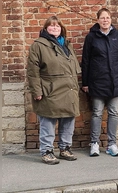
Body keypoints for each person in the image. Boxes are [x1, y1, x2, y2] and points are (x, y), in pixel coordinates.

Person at [81, 8, 118, 157]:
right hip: (97, 82)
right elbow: (85, 61)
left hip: (116, 81)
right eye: (102, 18)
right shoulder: (91, 37)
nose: (105, 20)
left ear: (111, 19)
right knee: (97, 113)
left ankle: (112, 144)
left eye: (108, 18)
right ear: (98, 20)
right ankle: (94, 143)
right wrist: (85, 82)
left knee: (113, 113)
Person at [27, 16, 80, 165]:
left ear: (61, 29)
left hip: (69, 90)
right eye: (51, 26)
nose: (55, 28)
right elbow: (32, 71)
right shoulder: (38, 45)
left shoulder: (67, 45)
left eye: (57, 26)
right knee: (48, 122)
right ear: (45, 29)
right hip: (50, 91)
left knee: (68, 120)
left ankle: (65, 148)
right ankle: (47, 151)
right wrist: (36, 91)